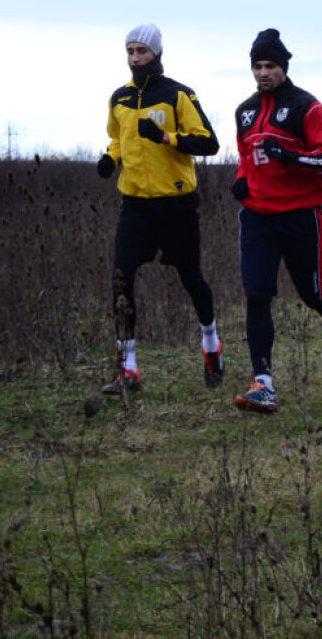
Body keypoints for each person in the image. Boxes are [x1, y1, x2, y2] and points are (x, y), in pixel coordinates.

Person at [231, 29, 322, 414]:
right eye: (257, 66)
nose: (263, 73)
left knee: (313, 294)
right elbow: (246, 156)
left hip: (301, 215)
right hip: (258, 217)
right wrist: (241, 179)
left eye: (270, 65)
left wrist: (289, 156)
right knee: (257, 295)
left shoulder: (308, 107)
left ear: (284, 67)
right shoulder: (245, 110)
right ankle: (263, 384)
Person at [98, 23, 223, 395]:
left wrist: (166, 137)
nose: (136, 58)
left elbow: (209, 143)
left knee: (191, 279)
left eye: (142, 51)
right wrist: (110, 159)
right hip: (135, 204)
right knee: (121, 278)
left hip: (176, 204)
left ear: (156, 53)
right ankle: (128, 369)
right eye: (130, 51)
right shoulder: (119, 98)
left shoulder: (178, 94)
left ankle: (211, 345)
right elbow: (117, 139)